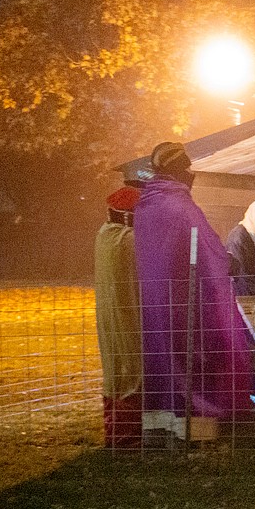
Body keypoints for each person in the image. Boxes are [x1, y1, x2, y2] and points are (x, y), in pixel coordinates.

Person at [134, 142, 255, 428]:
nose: (191, 173)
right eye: (186, 167)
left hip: (155, 299)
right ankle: (202, 417)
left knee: (163, 354)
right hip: (187, 296)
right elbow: (205, 248)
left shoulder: (146, 205)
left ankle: (166, 420)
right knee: (204, 351)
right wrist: (228, 263)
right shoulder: (181, 206)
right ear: (176, 169)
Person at [93, 185, 143, 448]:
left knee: (116, 368)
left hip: (111, 314)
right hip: (127, 315)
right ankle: (128, 435)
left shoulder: (104, 235)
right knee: (130, 367)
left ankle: (116, 431)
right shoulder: (126, 240)